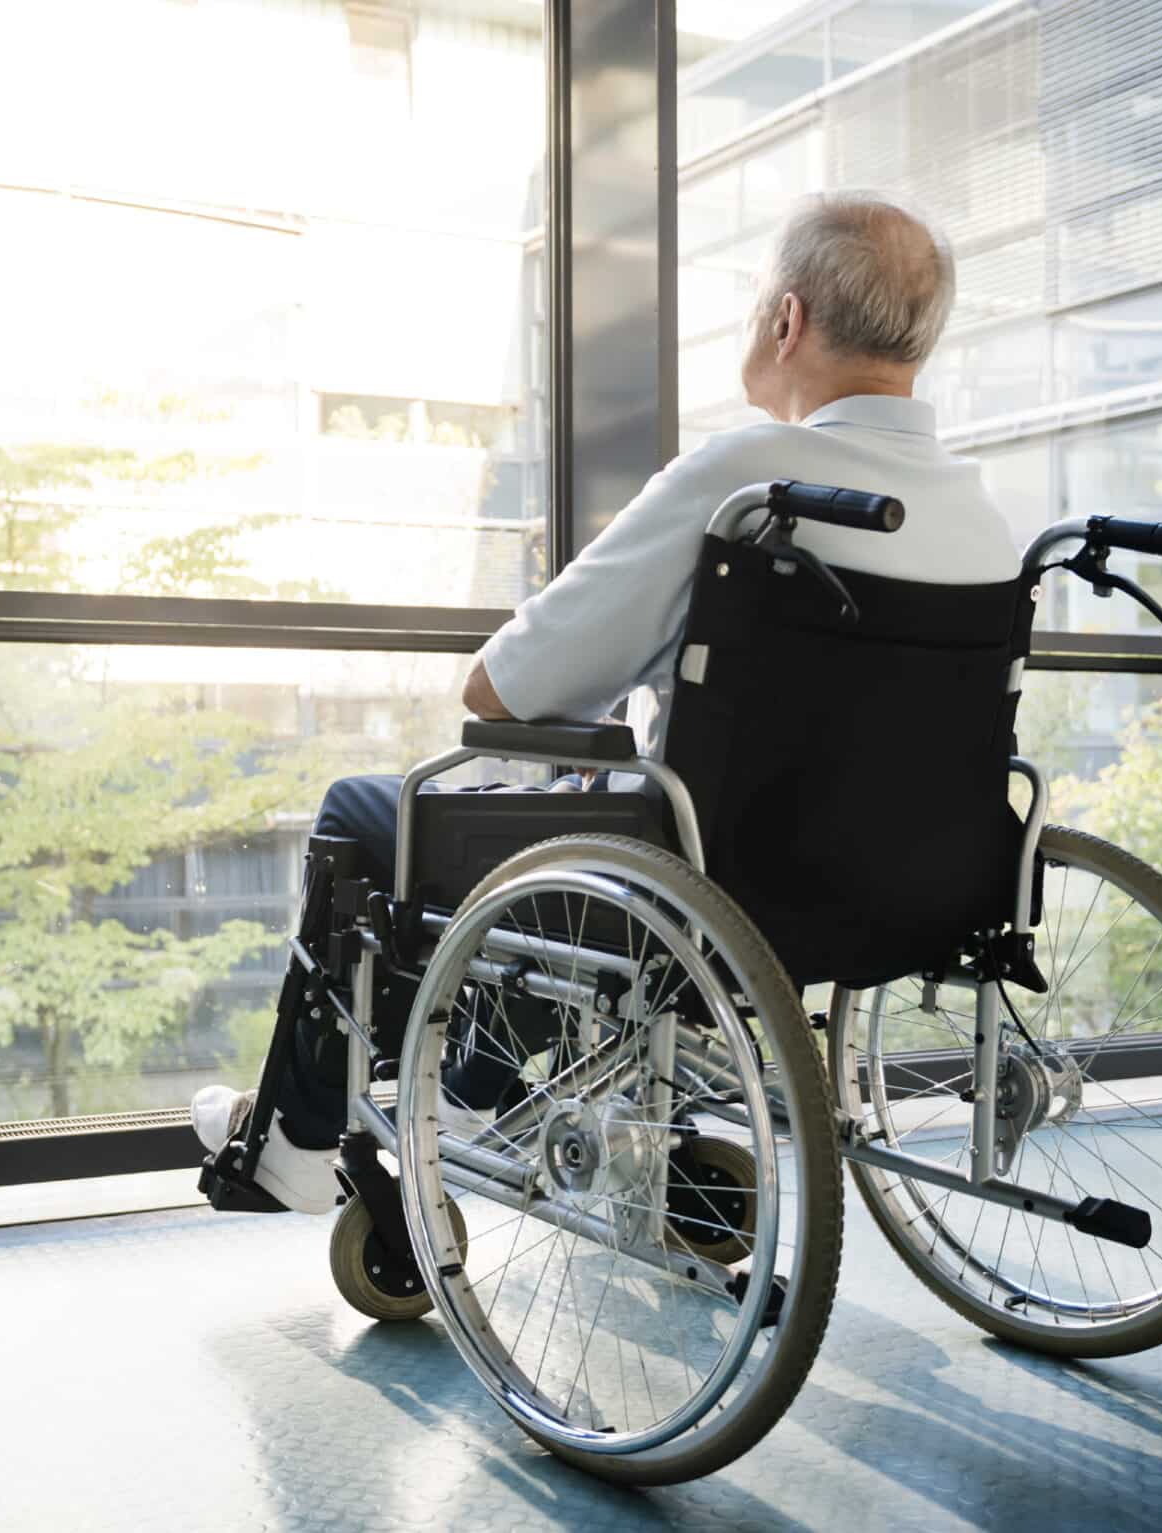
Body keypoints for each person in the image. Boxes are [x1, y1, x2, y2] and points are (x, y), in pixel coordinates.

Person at [192, 190, 1023, 1213]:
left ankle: (295, 1135)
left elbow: (505, 686)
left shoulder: (747, 484)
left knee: (369, 812)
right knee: (582, 819)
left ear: (786, 319)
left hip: (705, 886)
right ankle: (475, 1091)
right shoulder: (982, 513)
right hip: (920, 892)